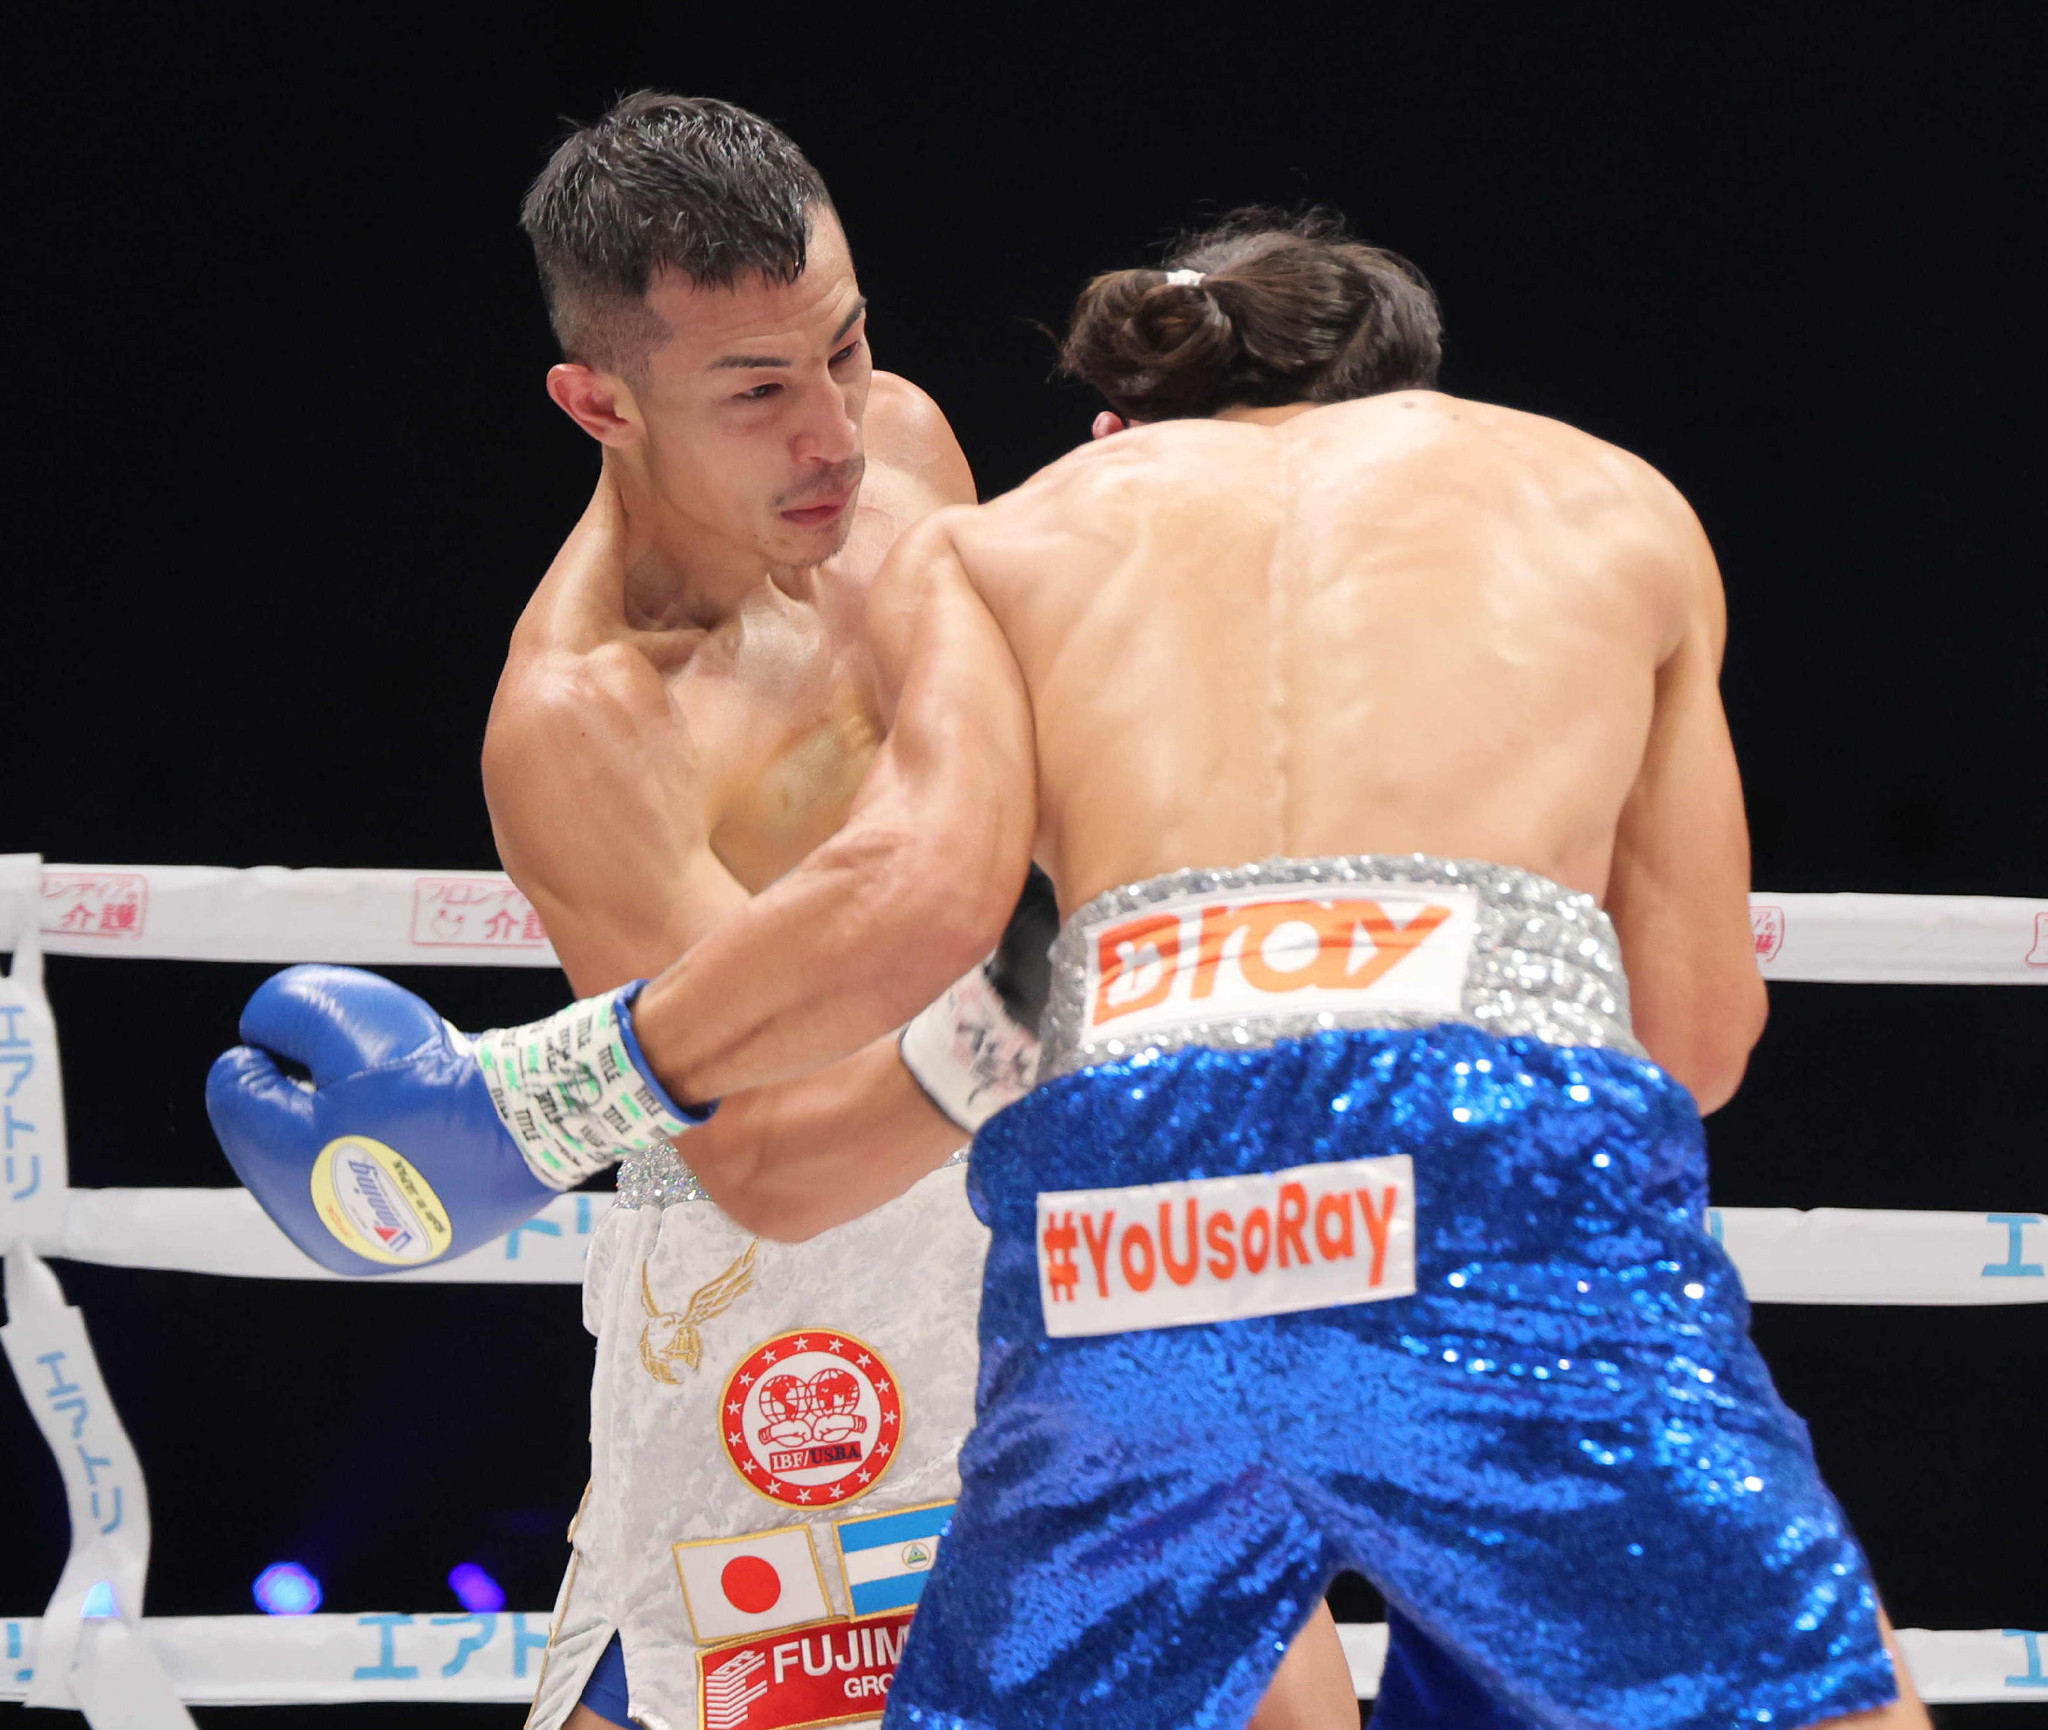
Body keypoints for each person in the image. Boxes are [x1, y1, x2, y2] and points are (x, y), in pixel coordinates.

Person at [516, 211, 1931, 1727]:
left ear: (1137, 417)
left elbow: (917, 893)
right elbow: (1698, 1039)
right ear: (1401, 388)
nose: (830, 423)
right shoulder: (1612, 501)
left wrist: (534, 1088)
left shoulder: (996, 533)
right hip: (1469, 1166)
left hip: (1120, 1203)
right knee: (1797, 1691)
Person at [207, 104, 1360, 1730]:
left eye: (847, 344)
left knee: (1278, 1690)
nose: (832, 431)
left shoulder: (904, 448)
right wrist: (1035, 1004)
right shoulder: (587, 718)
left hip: (1062, 1199)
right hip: (795, 1298)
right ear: (600, 402)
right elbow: (766, 1162)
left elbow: (1028, 785)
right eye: (757, 390)